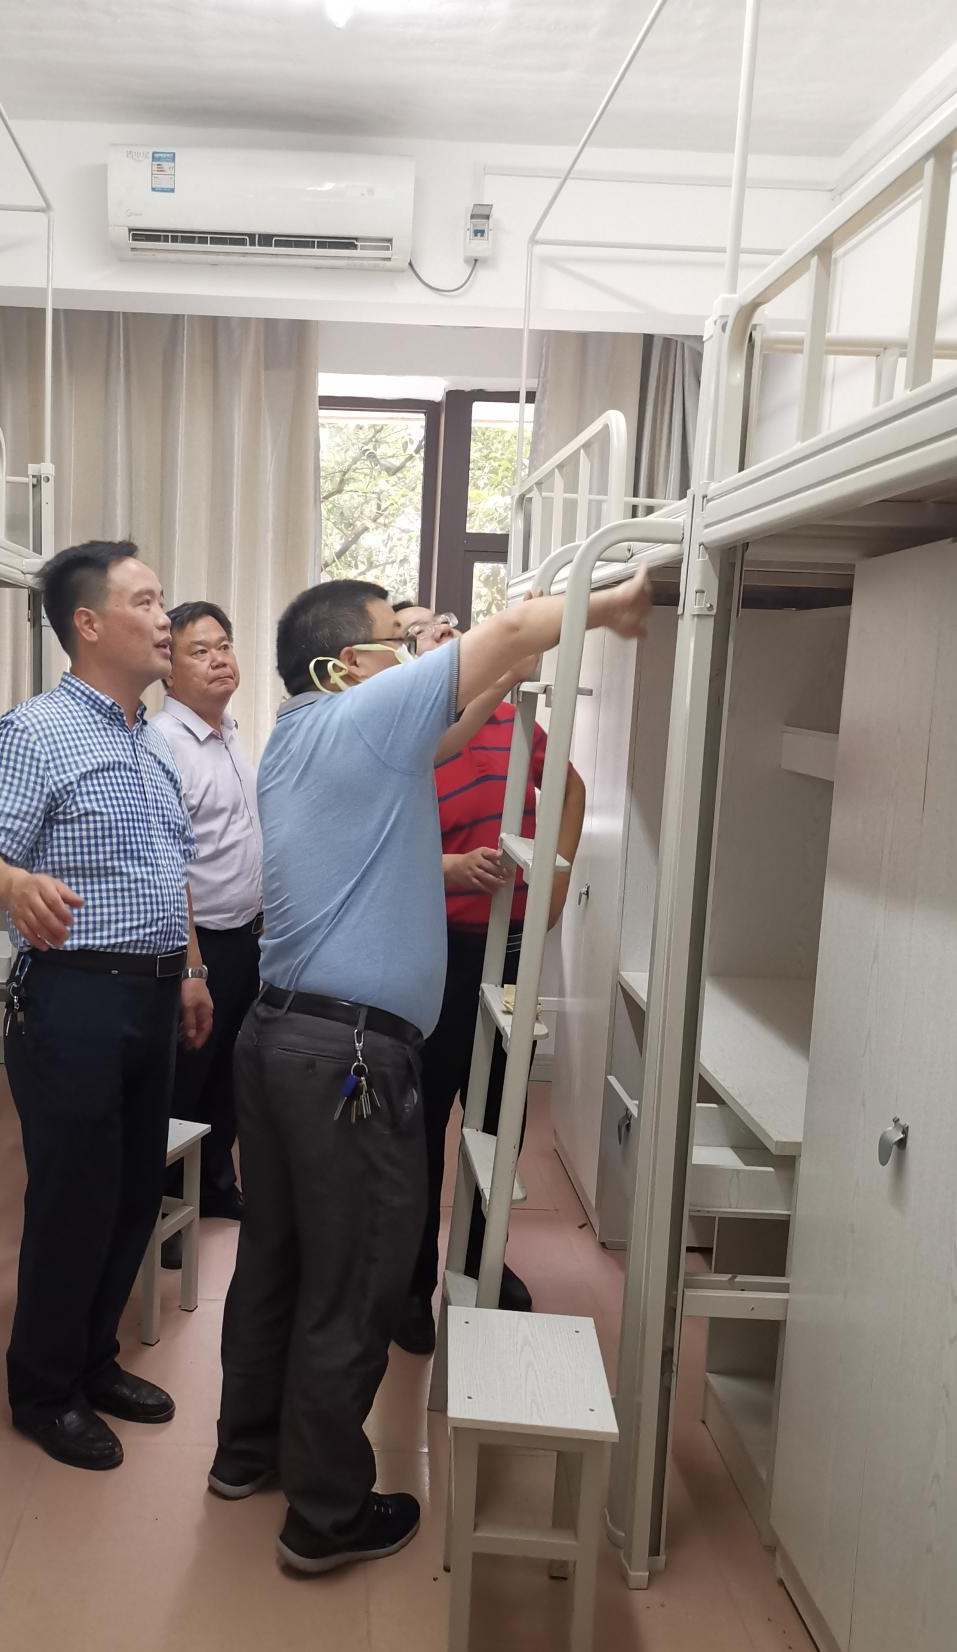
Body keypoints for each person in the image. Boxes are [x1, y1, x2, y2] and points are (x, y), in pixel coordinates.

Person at [210, 568, 650, 1574]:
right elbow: (507, 627)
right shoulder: (360, 718)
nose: (411, 655)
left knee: (276, 1258)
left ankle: (246, 1453)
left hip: (280, 1039)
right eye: (393, 641)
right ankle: (324, 1516)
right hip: (347, 1060)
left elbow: (452, 726)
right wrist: (607, 603)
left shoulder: (305, 735)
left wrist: (502, 680)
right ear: (344, 666)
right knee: (356, 1276)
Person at [0, 539, 214, 1471]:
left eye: (164, 600)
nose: (166, 620)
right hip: (73, 1000)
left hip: (152, 994)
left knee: (134, 1191)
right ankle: (42, 1388)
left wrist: (191, 968)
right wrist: (14, 883)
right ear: (89, 623)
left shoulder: (151, 740)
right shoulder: (36, 731)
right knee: (74, 1198)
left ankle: (93, 1359)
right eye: (147, 602)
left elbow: (171, 870)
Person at [388, 602, 587, 1356]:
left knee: (499, 1117)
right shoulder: (409, 730)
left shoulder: (514, 721)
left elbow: (569, 792)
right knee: (420, 1121)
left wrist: (554, 888)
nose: (446, 632)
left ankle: (479, 1263)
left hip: (508, 952)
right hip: (431, 950)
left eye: (451, 624)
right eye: (424, 631)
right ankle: (409, 1284)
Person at [150, 601, 262, 1266]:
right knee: (184, 1079)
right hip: (199, 944)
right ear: (168, 668)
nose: (219, 660)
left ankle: (216, 1186)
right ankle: (165, 1209)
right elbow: (172, 867)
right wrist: (193, 967)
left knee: (229, 1074)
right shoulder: (165, 743)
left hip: (245, 936)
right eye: (200, 651)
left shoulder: (229, 734)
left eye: (224, 646)